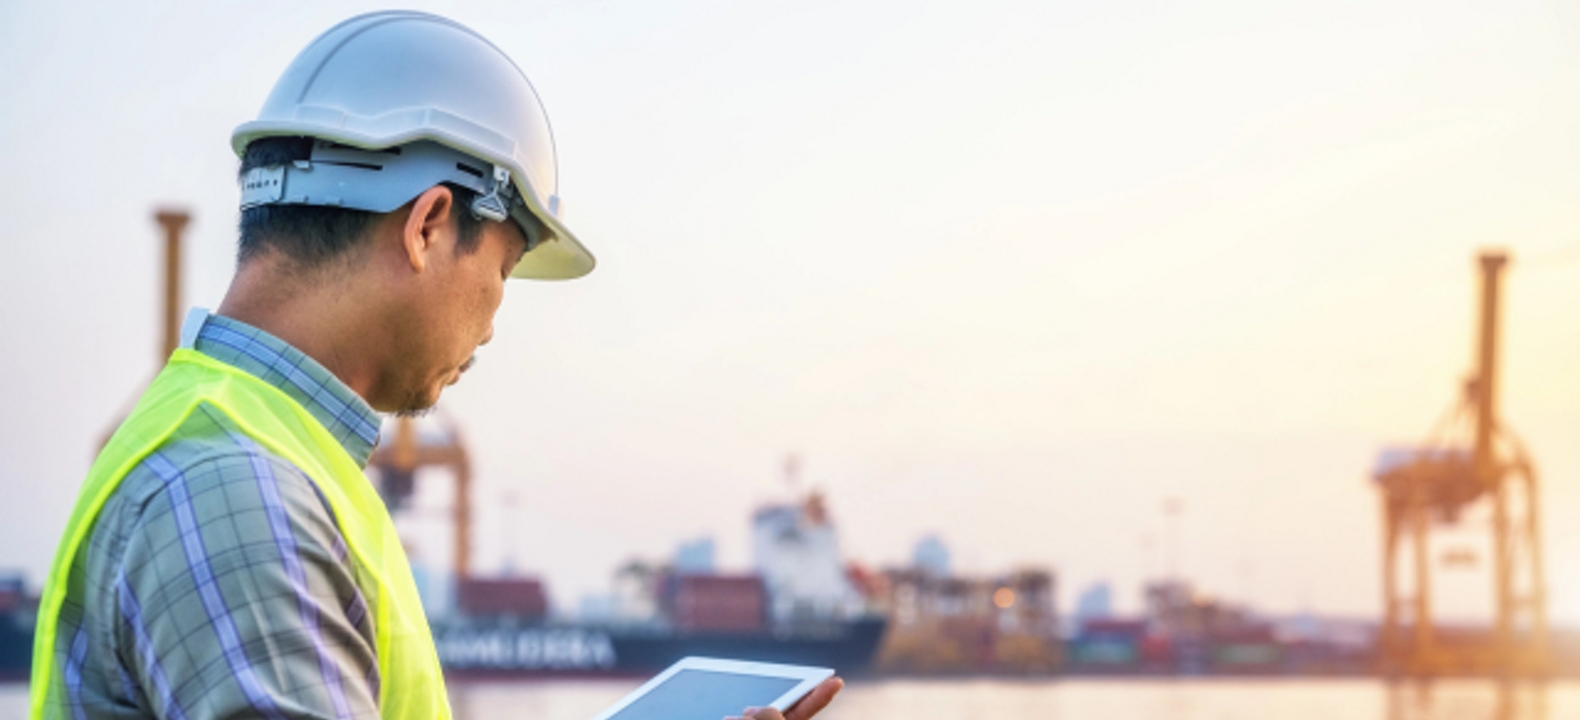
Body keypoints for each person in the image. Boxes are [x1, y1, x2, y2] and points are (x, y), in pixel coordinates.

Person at [30, 11, 842, 720]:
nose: (492, 324)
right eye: (500, 273)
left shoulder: (251, 454)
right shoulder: (235, 490)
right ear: (427, 226)